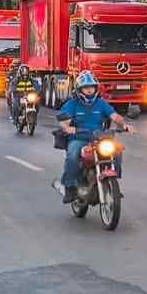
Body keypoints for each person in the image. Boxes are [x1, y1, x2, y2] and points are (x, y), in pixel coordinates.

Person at [56, 71, 132, 204]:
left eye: (91, 87)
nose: (89, 90)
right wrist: (67, 127)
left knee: (117, 150)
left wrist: (124, 125)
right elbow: (64, 120)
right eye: (86, 87)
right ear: (79, 89)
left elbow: (114, 116)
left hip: (99, 138)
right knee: (73, 154)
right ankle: (70, 187)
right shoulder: (72, 103)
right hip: (79, 138)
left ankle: (112, 185)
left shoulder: (101, 103)